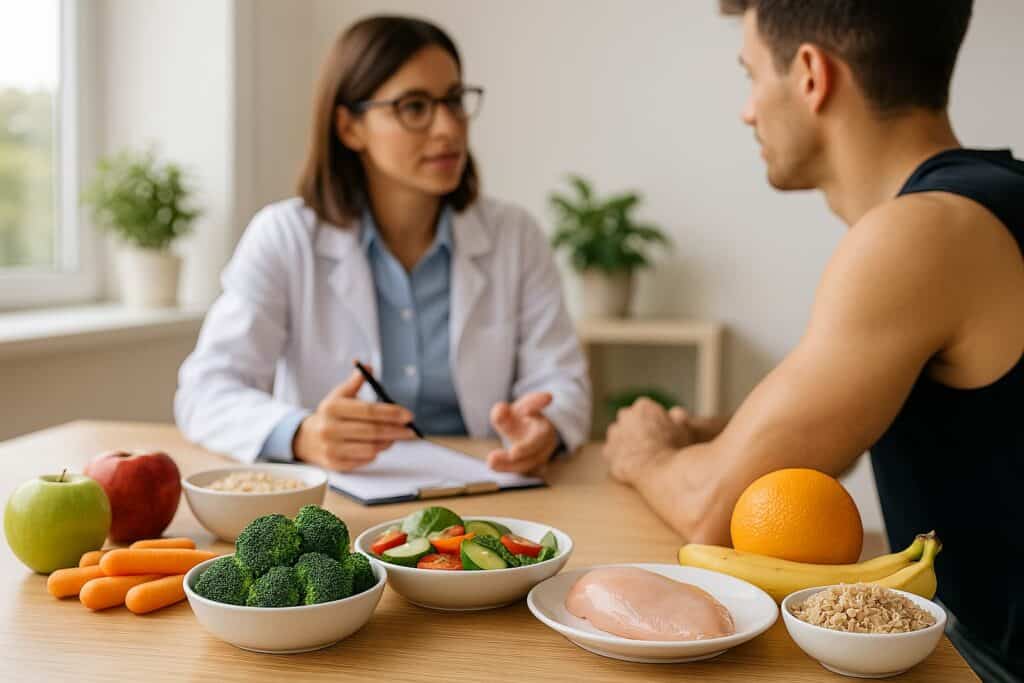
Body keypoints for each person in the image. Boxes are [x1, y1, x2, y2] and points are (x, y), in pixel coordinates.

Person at [602, 2, 1022, 679]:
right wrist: (721, 436)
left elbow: (713, 508)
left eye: (750, 75)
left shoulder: (919, 237)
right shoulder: (992, 199)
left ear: (810, 74)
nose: (746, 111)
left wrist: (642, 449)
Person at [175, 16, 590, 475]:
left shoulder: (515, 236)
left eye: (454, 101)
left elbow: (562, 380)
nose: (449, 128)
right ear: (350, 127)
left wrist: (543, 429)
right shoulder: (285, 237)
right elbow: (205, 390)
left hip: (488, 489)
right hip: (343, 497)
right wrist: (303, 433)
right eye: (414, 107)